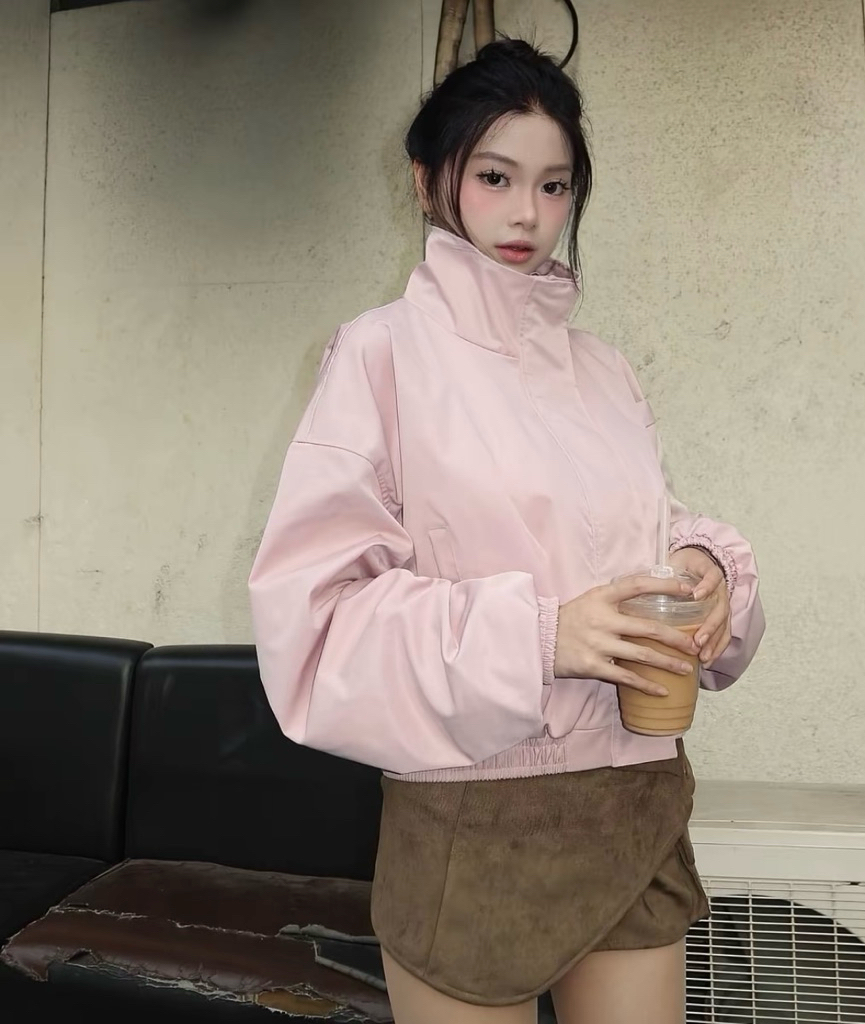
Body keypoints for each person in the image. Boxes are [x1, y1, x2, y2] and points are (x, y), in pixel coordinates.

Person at [249, 38, 765, 1024]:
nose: (527, 213)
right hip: (473, 819)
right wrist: (542, 636)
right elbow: (315, 626)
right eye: (494, 177)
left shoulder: (605, 371)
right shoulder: (379, 355)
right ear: (426, 180)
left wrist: (703, 566)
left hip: (635, 797)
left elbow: (641, 528)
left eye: (553, 184)